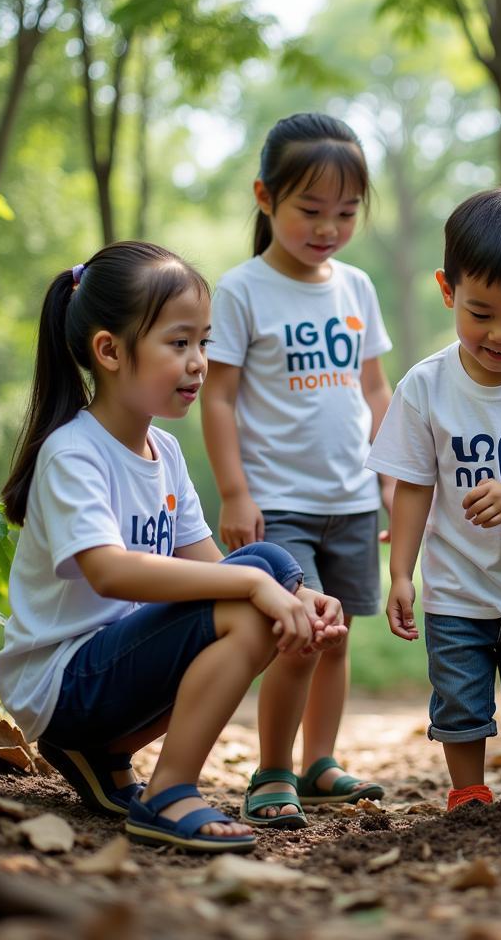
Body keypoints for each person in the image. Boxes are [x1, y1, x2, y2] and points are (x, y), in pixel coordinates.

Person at [0, 242, 347, 854]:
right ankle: (170, 792)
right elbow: (107, 573)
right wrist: (257, 590)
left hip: (111, 679)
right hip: (63, 683)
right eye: (178, 343)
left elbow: (215, 567)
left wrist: (302, 599)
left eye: (204, 343)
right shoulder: (73, 453)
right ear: (109, 351)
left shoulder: (166, 452)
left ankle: (101, 757)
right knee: (252, 590)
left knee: (270, 568)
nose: (199, 364)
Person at [367, 186, 501, 811]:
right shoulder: (426, 387)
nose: (500, 335)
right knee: (459, 700)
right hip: (456, 589)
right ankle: (467, 795)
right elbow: (412, 485)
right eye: (479, 312)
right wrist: (400, 572)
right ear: (447, 291)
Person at [201, 113, 393, 828]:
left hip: (351, 497)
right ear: (265, 197)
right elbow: (216, 397)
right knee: (300, 635)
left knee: (337, 635)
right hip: (276, 501)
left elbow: (375, 389)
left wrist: (390, 478)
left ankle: (320, 763)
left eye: (345, 213)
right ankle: (271, 772)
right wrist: (234, 492)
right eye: (310, 210)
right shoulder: (243, 290)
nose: (328, 228)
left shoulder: (357, 288)